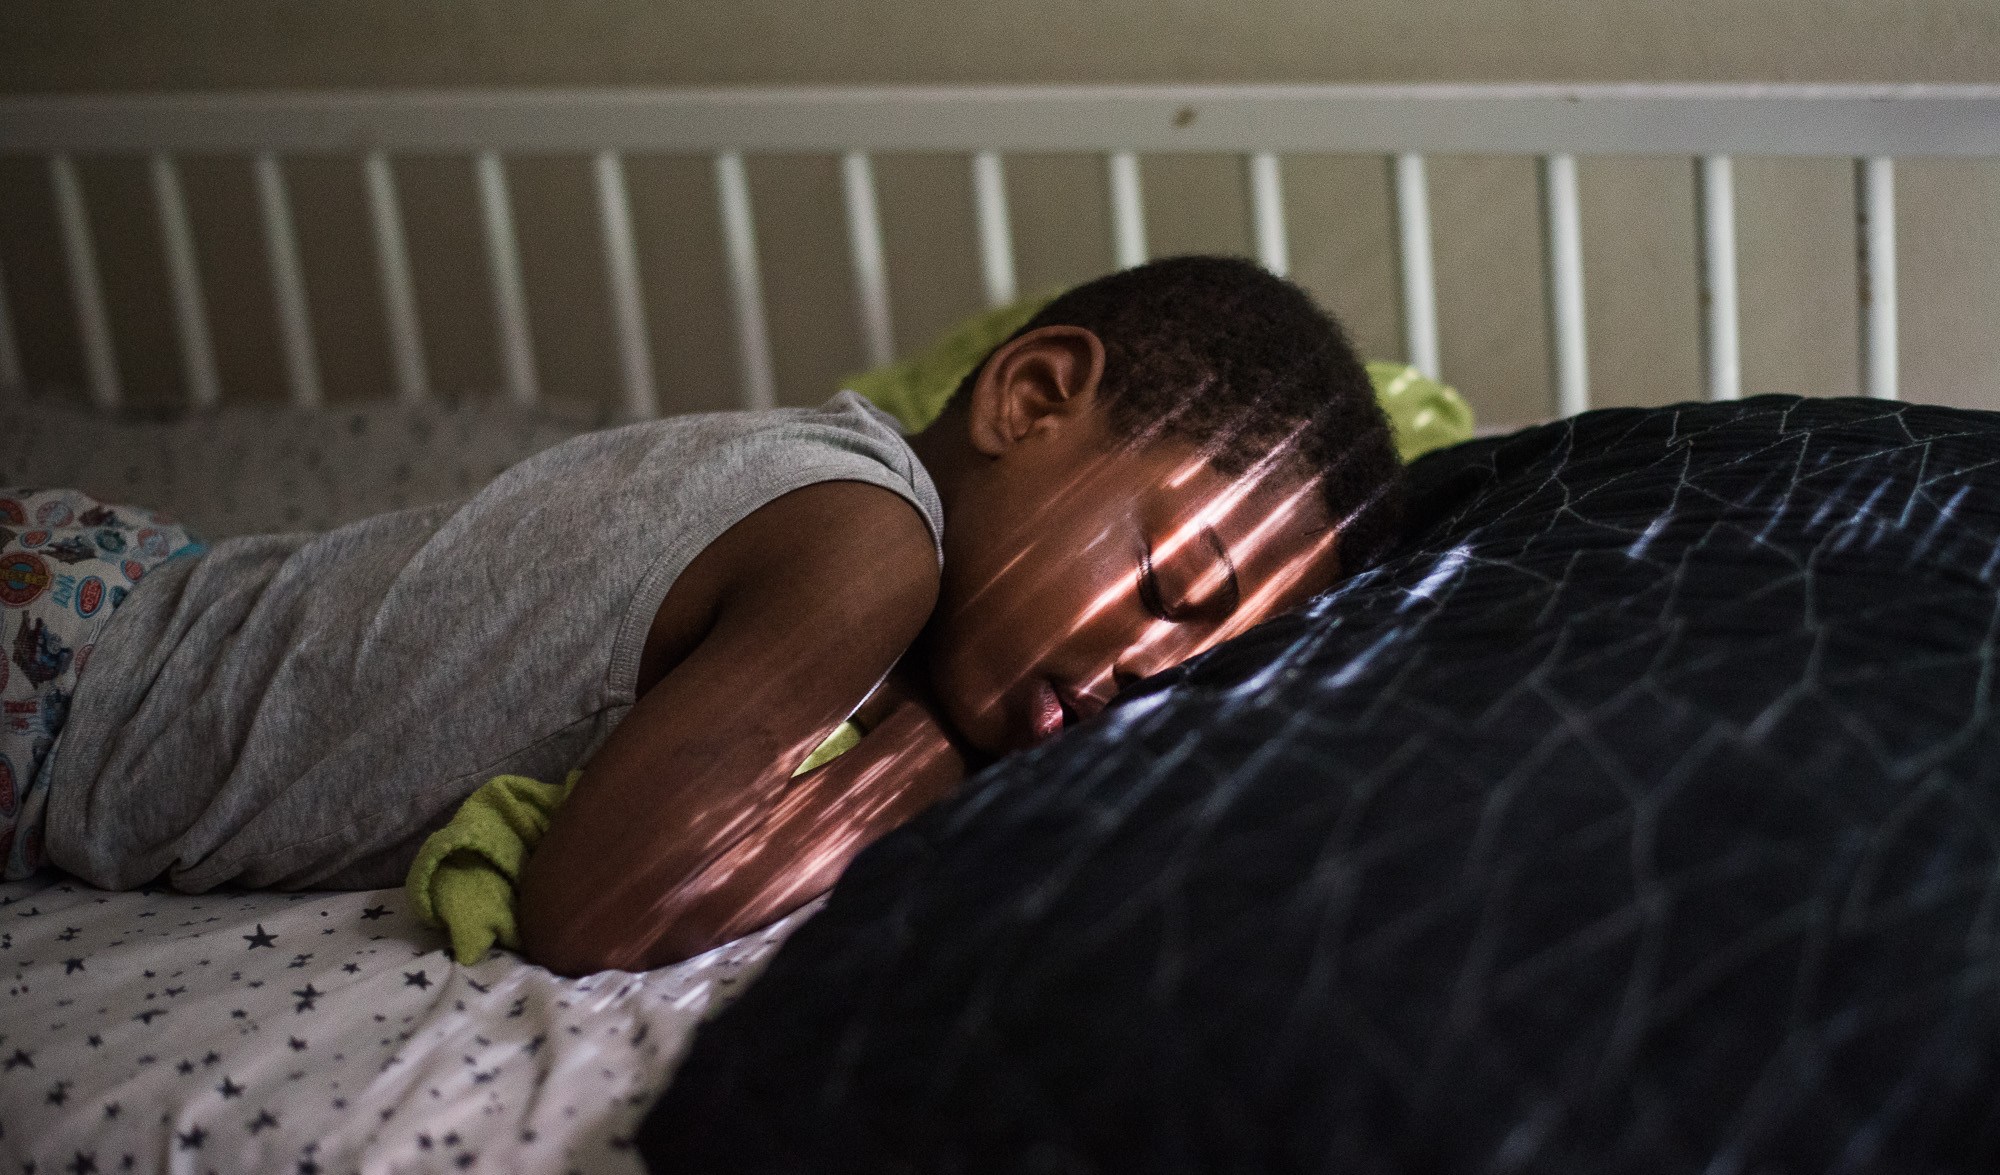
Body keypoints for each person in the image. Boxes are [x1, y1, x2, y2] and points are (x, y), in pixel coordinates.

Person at [26, 255, 1403, 975]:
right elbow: (603, 910)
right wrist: (943, 741)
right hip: (59, 675)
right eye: (1172, 588)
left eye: (1207, 662)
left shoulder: (825, 493)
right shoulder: (869, 549)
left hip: (116, 586)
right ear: (1032, 399)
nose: (1150, 673)